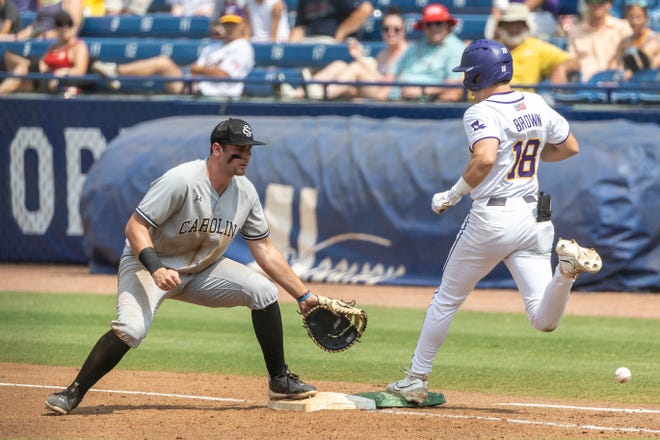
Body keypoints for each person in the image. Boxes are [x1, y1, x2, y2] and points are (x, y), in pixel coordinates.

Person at [44, 117, 320, 415]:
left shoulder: (245, 192)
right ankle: (73, 391)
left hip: (203, 270)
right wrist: (155, 268)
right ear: (217, 149)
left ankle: (279, 380)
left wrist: (303, 296)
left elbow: (264, 249)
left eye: (250, 150)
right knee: (131, 329)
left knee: (264, 291)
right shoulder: (181, 180)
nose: (246, 156)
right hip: (149, 264)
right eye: (239, 150)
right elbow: (135, 228)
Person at [385, 39, 603, 404]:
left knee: (446, 300)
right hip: (536, 213)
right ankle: (565, 273)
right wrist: (524, 157)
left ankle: (415, 379)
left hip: (495, 215)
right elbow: (569, 147)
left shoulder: (479, 112)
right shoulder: (535, 101)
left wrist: (451, 194)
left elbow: (485, 158)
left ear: (475, 76)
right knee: (542, 319)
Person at [91, 4, 254, 97]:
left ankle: (116, 71)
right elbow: (196, 68)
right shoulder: (214, 46)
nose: (229, 27)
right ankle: (116, 73)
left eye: (233, 23)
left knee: (163, 63)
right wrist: (194, 70)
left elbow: (225, 75)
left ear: (242, 24)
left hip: (220, 98)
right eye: (226, 23)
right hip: (193, 89)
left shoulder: (243, 47)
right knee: (162, 63)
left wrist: (198, 69)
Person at [279, 6, 408, 100]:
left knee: (356, 68)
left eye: (396, 29)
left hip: (389, 96)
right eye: (386, 29)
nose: (391, 33)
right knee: (339, 65)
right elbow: (376, 77)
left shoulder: (406, 53)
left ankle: (320, 93)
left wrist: (360, 61)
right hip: (373, 90)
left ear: (404, 30)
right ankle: (297, 92)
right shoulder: (383, 53)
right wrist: (361, 58)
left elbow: (386, 87)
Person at [387, 3, 465, 102]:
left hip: (429, 104)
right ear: (423, 27)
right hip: (395, 97)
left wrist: (422, 91)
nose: (433, 28)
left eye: (438, 23)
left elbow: (453, 83)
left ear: (447, 25)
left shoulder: (456, 47)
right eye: (429, 24)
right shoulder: (414, 46)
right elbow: (392, 73)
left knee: (451, 94)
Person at [0, 11, 89, 95]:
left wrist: (63, 71)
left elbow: (80, 71)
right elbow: (43, 63)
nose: (65, 28)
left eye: (69, 24)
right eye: (61, 24)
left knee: (24, 67)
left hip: (54, 82)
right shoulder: (53, 47)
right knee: (9, 57)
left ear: (73, 27)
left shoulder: (78, 46)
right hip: (40, 77)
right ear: (56, 28)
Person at [497, 3, 578, 86]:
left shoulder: (536, 46)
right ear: (502, 26)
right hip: (495, 96)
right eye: (509, 24)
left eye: (518, 24)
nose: (513, 29)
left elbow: (574, 61)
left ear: (527, 26)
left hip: (525, 96)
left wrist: (561, 68)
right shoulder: (493, 48)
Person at [567, 0, 631, 82]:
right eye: (592, 1)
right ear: (586, 4)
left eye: (601, 1)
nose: (596, 5)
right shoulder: (575, 32)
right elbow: (572, 61)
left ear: (609, 4)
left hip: (616, 84)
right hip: (587, 87)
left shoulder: (623, 27)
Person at [611, 0, 660, 78]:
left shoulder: (656, 39)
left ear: (646, 18)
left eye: (639, 17)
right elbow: (617, 65)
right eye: (631, 17)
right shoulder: (624, 42)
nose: (635, 21)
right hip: (629, 87)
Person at [289, 0, 373, 43]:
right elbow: (299, 27)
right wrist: (291, 48)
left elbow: (365, 9)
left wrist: (341, 33)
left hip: (332, 42)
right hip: (309, 42)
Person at [486, 0, 561, 41]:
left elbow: (531, 4)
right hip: (512, 13)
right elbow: (498, 7)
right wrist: (497, 24)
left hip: (541, 15)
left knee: (519, 22)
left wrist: (515, 17)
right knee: (492, 22)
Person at [13, 0, 83, 40]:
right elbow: (36, 24)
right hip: (36, 38)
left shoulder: (72, 1)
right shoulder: (44, 2)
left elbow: (73, 28)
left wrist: (45, 36)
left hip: (53, 42)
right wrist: (24, 33)